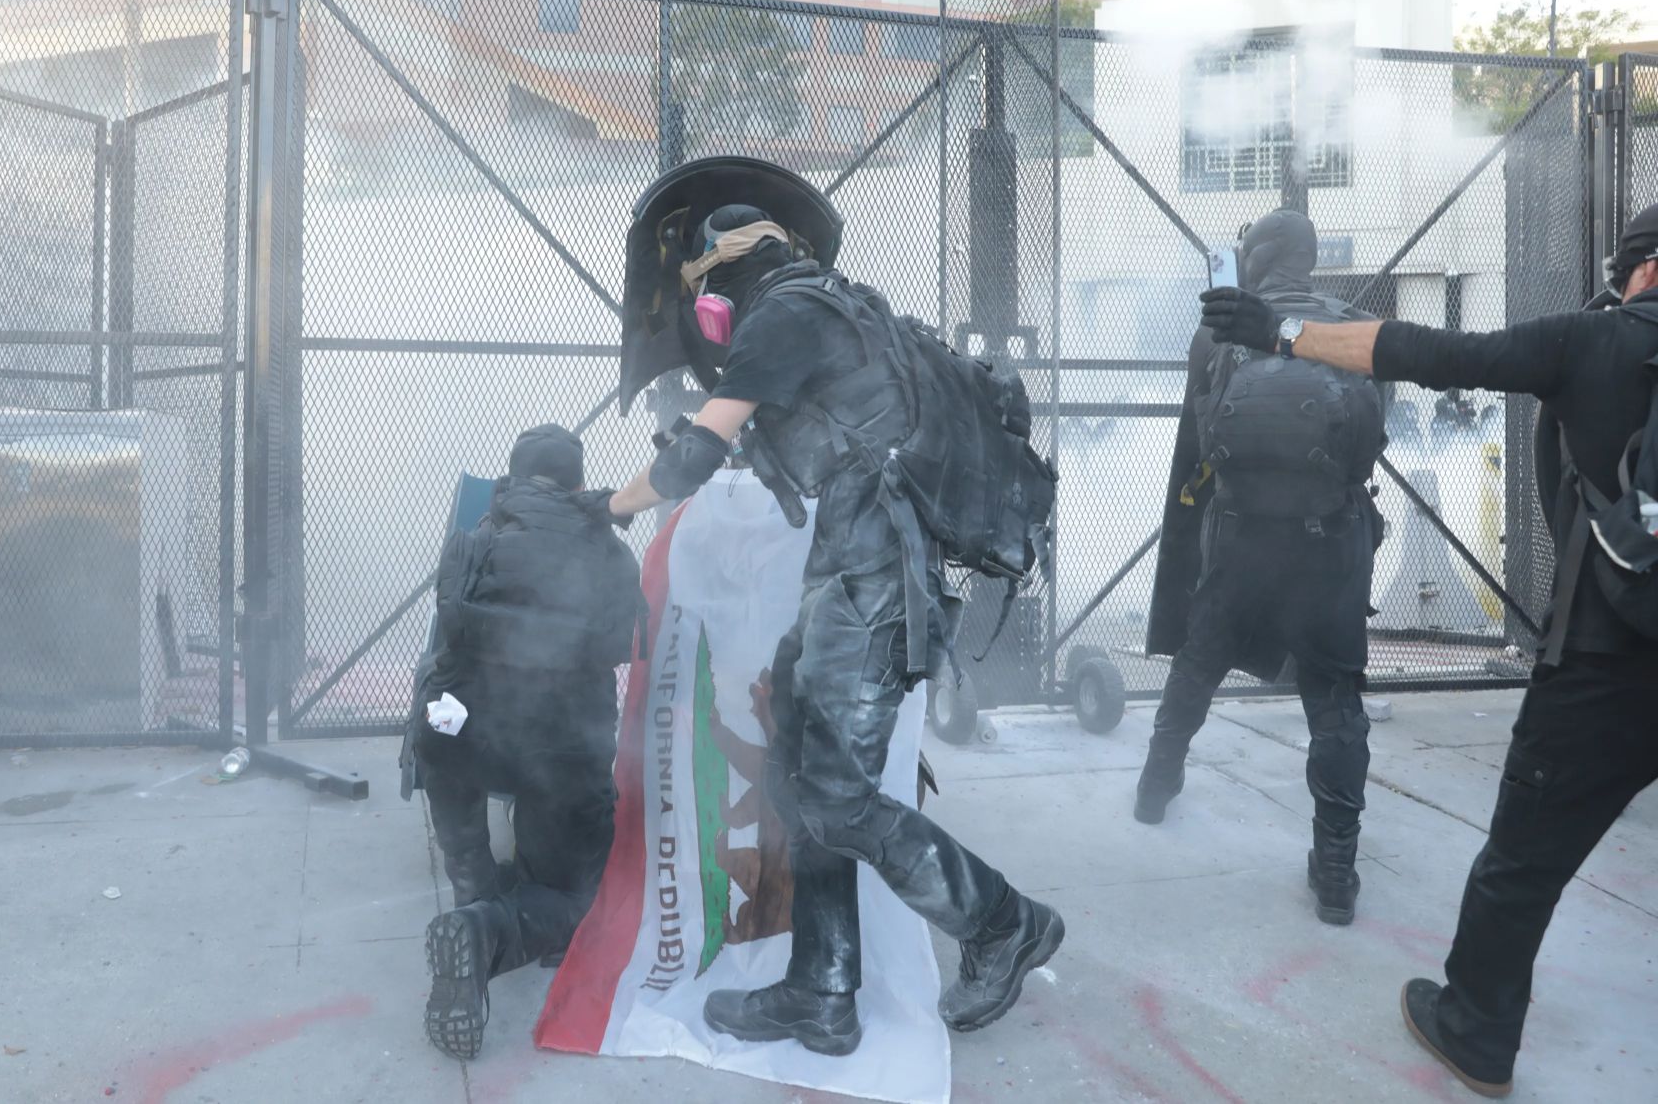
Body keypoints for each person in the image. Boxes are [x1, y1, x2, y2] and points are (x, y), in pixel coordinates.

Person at [1197, 202, 1658, 1099]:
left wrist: (1281, 331)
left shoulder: (1593, 342)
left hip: (1607, 662)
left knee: (1523, 860)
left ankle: (1475, 1030)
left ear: (1643, 268)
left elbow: (1430, 352)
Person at [608, 204, 1062, 1056]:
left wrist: (611, 503)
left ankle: (1005, 921)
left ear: (721, 283)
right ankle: (822, 989)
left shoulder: (780, 313)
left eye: (704, 293)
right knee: (795, 772)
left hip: (872, 579)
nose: (707, 315)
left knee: (838, 797)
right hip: (851, 569)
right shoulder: (834, 306)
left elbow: (697, 454)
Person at [1137, 210, 1386, 927]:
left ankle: (1155, 789)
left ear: (1259, 257)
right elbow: (1371, 442)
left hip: (1241, 537)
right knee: (1334, 699)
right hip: (1329, 542)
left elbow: (1200, 437)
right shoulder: (1353, 327)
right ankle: (1334, 871)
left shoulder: (1218, 329)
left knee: (1198, 661)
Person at [417, 424, 644, 1060]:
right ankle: (489, 926)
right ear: (578, 483)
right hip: (559, 746)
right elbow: (618, 648)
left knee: (442, 738)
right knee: (576, 897)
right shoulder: (612, 553)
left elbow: (447, 636)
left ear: (513, 479)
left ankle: (472, 887)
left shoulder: (475, 537)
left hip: (462, 735)